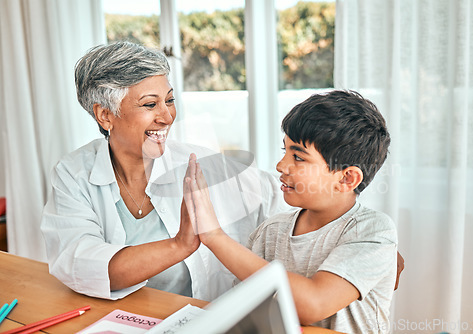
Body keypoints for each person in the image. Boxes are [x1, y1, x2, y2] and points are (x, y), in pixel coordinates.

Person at [40, 41, 288, 301]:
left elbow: (287, 198)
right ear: (105, 115)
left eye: (169, 100)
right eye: (150, 105)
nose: (167, 116)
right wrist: (179, 245)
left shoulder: (203, 164)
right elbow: (80, 262)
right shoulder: (74, 173)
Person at [183, 90, 398, 333]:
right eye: (284, 151)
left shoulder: (373, 230)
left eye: (298, 157)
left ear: (347, 178)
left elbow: (313, 304)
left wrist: (214, 237)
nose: (281, 165)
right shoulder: (270, 232)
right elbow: (245, 310)